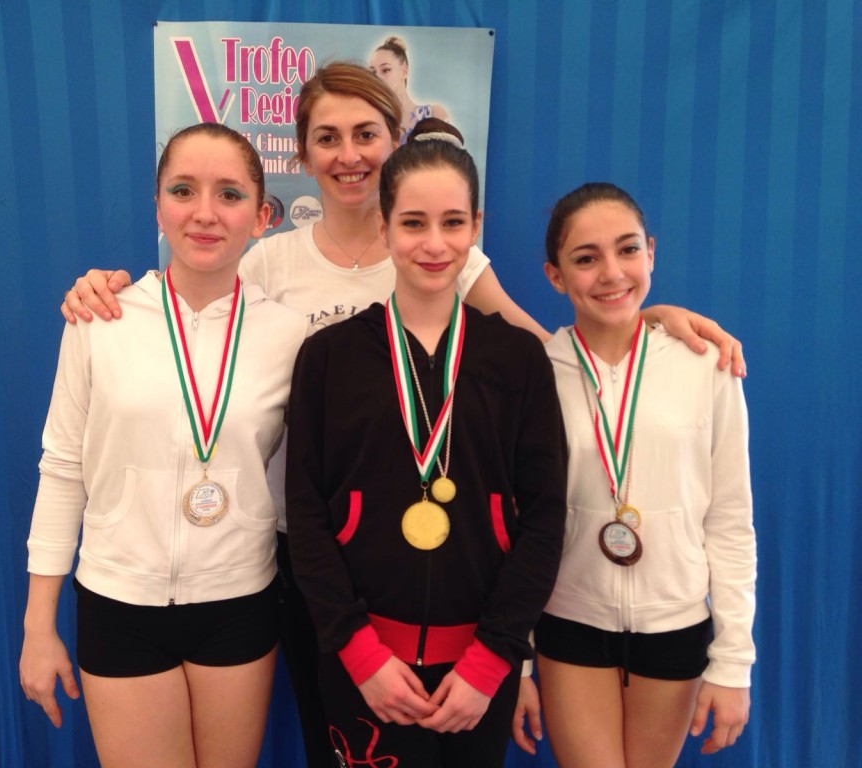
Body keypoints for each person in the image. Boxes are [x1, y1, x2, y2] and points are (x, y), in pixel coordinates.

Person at [58, 63, 744, 767]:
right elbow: (197, 313)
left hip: (470, 618)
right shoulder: (270, 271)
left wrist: (646, 320)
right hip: (311, 574)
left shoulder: (488, 319)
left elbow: (564, 365)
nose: (348, 153)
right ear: (307, 159)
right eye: (327, 137)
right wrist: (106, 291)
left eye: (365, 133)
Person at [18, 123, 307, 768]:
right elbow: (62, 469)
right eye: (183, 190)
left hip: (239, 601)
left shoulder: (288, 337)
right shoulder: (99, 319)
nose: (205, 212)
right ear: (158, 207)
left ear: (262, 217)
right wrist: (39, 625)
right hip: (119, 602)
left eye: (229, 194)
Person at [286, 123, 567, 767]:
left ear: (476, 228)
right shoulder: (328, 358)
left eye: (453, 223)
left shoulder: (519, 359)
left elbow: (545, 518)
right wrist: (358, 653)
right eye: (413, 223)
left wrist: (494, 659)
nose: (434, 244)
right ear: (383, 227)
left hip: (478, 673)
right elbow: (305, 516)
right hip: (362, 667)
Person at [531, 182, 756, 767]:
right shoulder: (535, 374)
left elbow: (730, 521)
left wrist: (734, 660)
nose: (612, 273)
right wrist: (520, 657)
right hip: (569, 620)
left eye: (628, 249)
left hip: (674, 624)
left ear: (651, 252)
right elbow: (516, 525)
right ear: (556, 276)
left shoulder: (707, 365)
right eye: (586, 258)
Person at [369, 36, 450, 145]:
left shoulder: (434, 114)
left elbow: (450, 155)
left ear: (404, 72)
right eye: (372, 72)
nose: (377, 77)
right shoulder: (372, 122)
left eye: (386, 70)